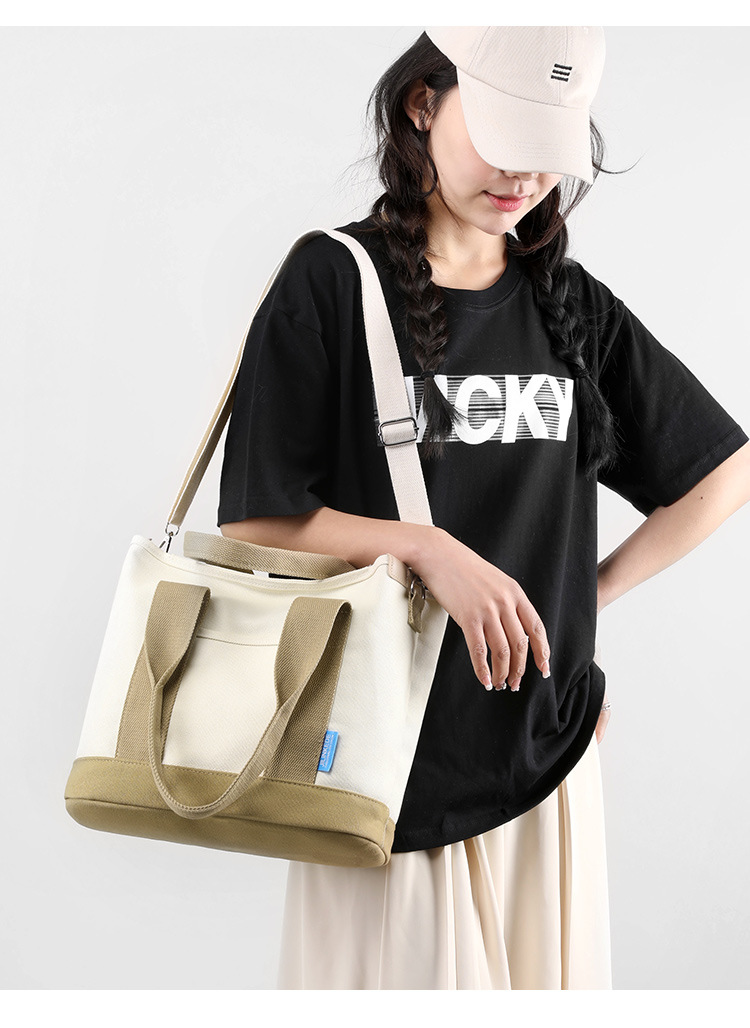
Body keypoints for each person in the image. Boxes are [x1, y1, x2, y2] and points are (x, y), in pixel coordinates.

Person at [216, 27, 750, 989]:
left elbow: (723, 470)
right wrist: (429, 550)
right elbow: (257, 520)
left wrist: (577, 607)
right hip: (382, 767)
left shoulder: (570, 305)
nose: (524, 177)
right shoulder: (332, 280)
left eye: (548, 150)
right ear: (423, 102)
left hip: (547, 760)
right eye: (505, 138)